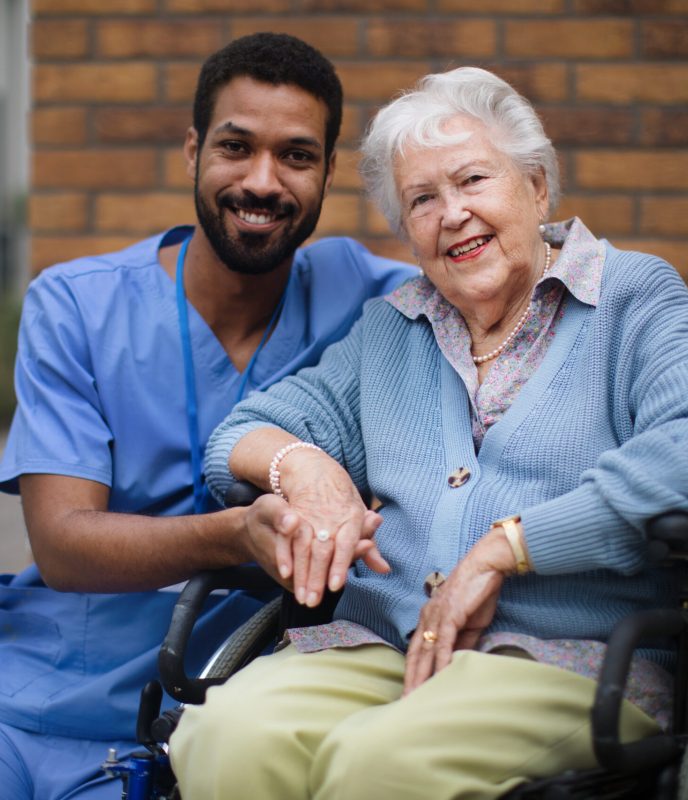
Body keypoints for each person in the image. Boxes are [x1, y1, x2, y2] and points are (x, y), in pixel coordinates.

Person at [169, 65, 688, 799]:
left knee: (376, 766)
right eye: (423, 199)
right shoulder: (396, 326)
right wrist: (310, 469)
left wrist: (507, 548)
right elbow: (241, 436)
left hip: (572, 661)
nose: (451, 214)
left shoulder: (633, 298)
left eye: (473, 180)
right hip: (386, 645)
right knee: (222, 736)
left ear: (537, 186)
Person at [0, 32, 415, 800]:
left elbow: (508, 277)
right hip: (38, 695)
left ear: (328, 173)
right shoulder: (78, 305)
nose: (262, 181)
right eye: (235, 147)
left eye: (296, 156)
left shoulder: (377, 301)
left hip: (223, 711)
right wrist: (236, 534)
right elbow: (62, 545)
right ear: (193, 152)